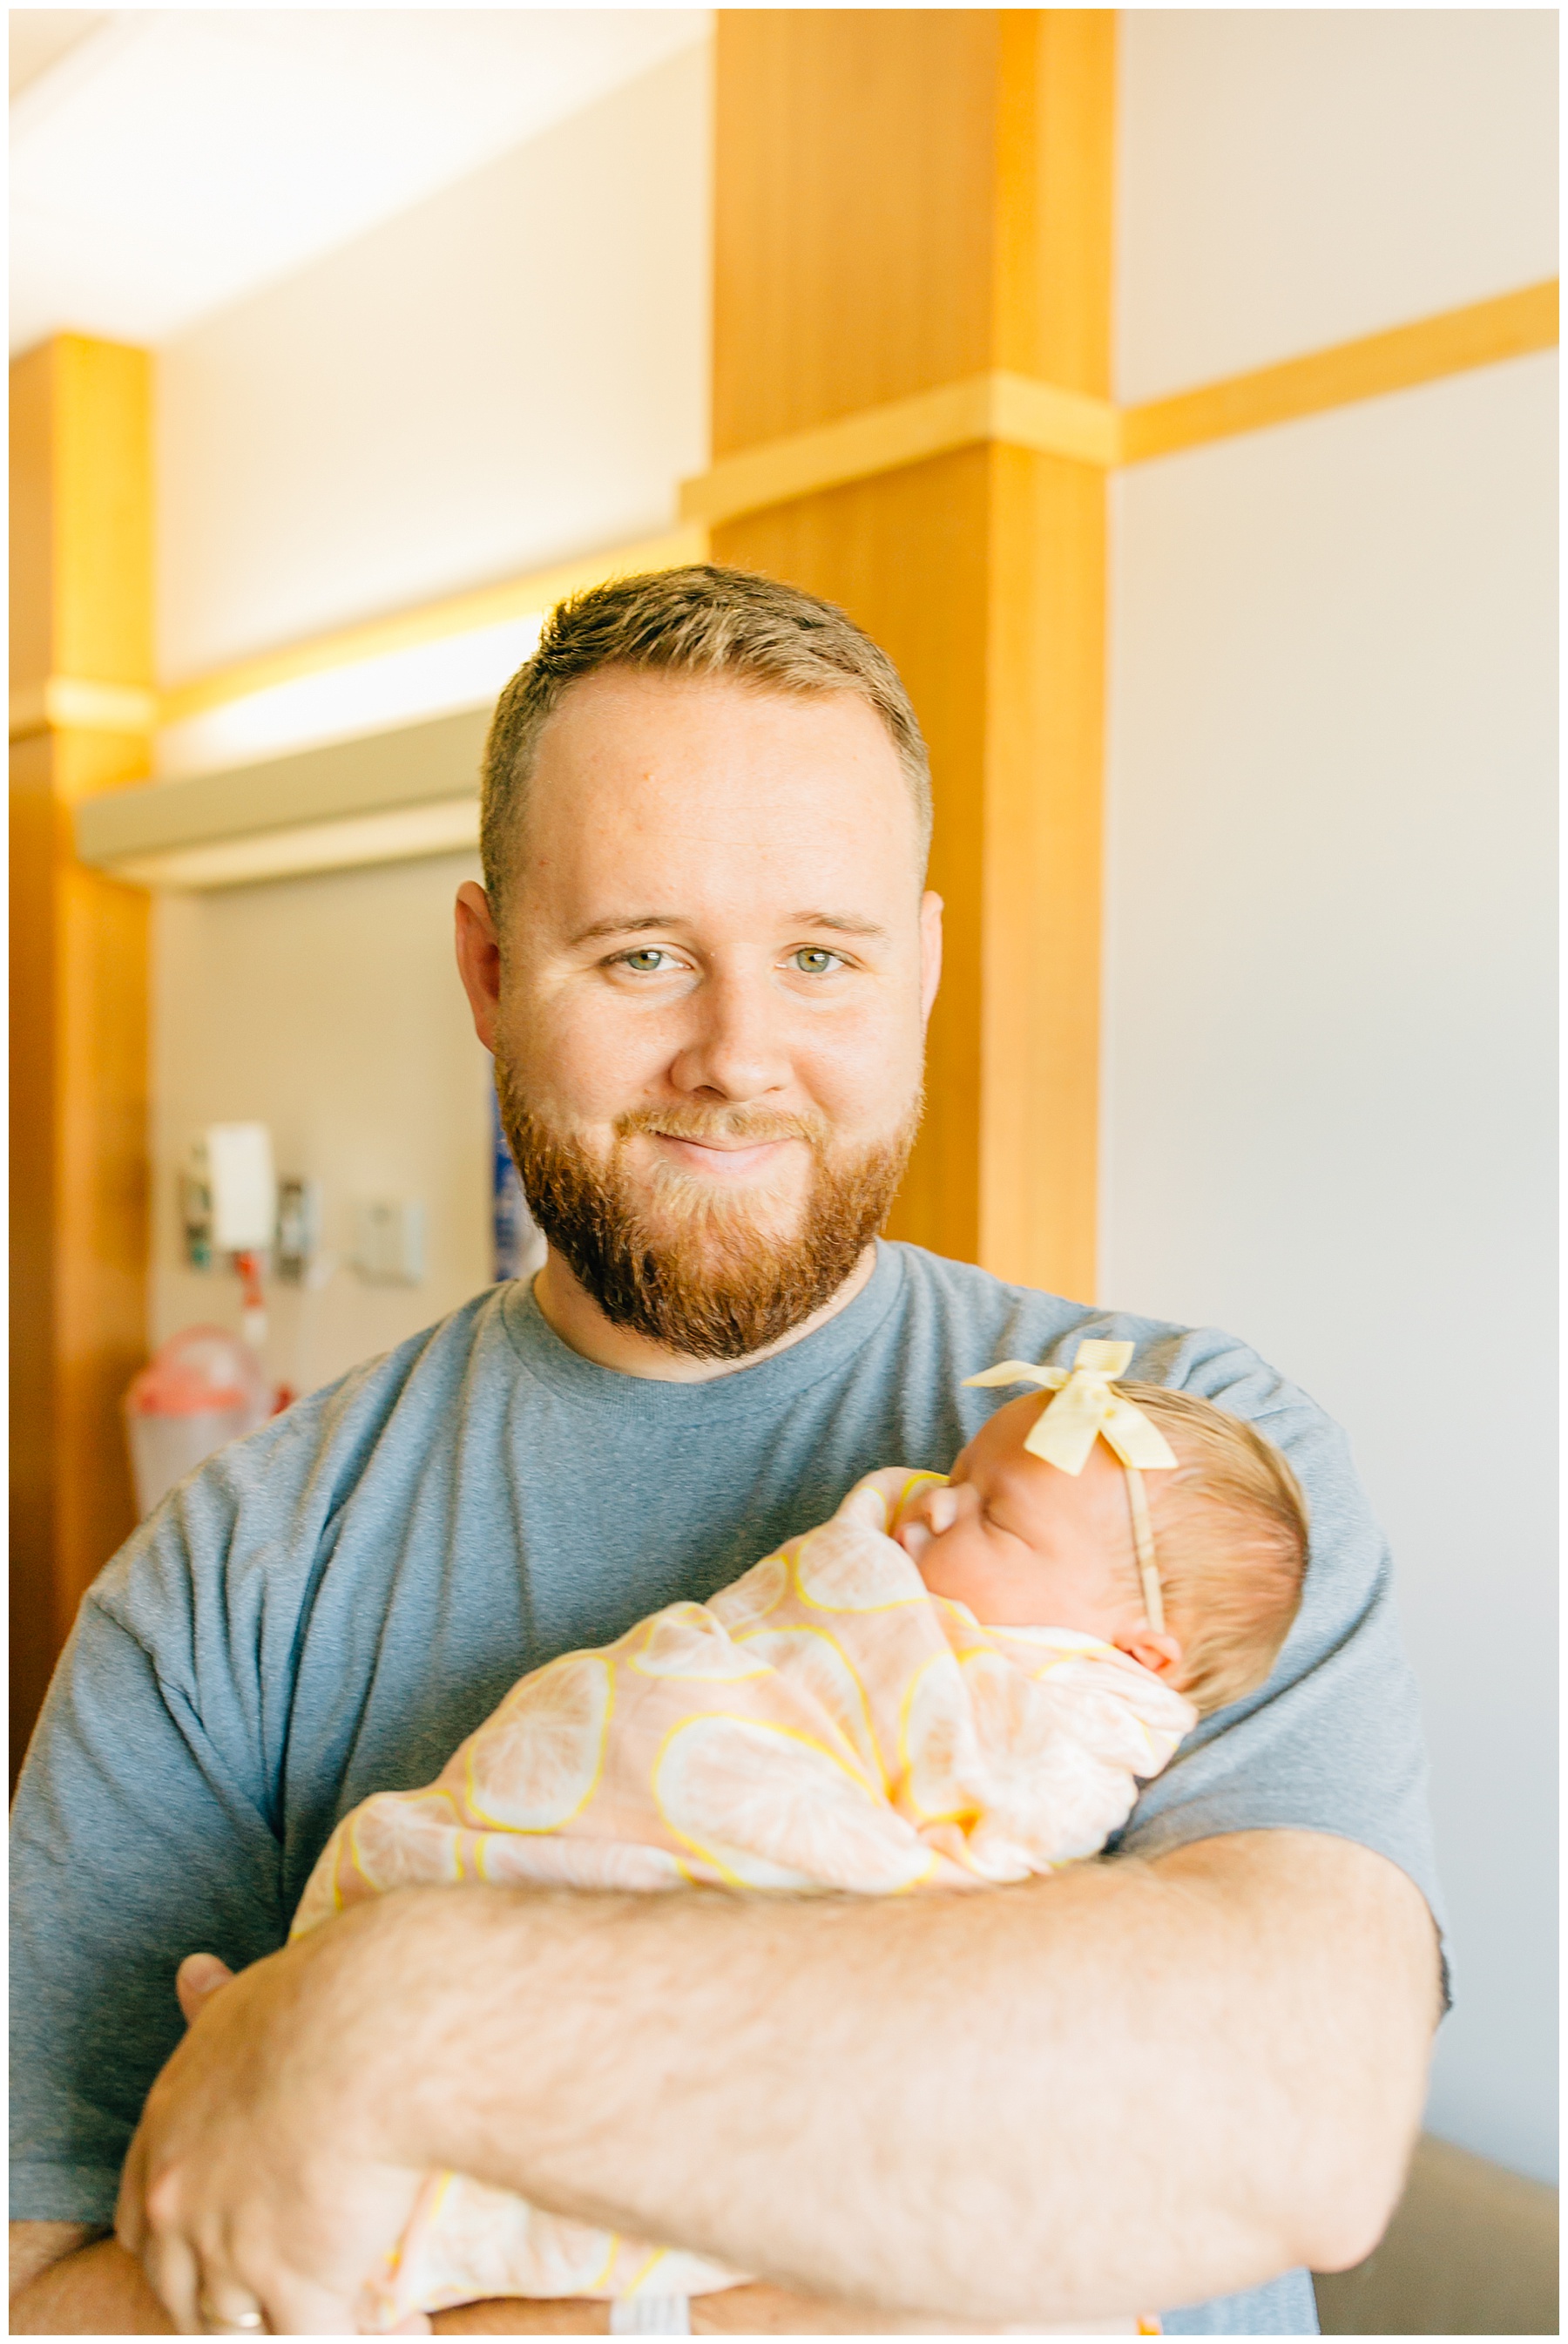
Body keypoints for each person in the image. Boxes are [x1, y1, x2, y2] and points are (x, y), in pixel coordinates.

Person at [10, 566, 1442, 2339]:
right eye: (644, 955)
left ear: (915, 967)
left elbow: (1287, 2112)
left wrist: (385, 2016)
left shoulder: (1162, 1464)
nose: (738, 1058)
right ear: (485, 969)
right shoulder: (231, 1585)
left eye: (821, 957)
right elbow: (41, 2293)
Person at [289, 1357, 1309, 2336]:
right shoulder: (893, 1577)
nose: (929, 1506)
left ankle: (402, 2183)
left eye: (993, 1515)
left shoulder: (1061, 1724)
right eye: (957, 1478)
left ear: (1137, 1652)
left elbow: (984, 1876)